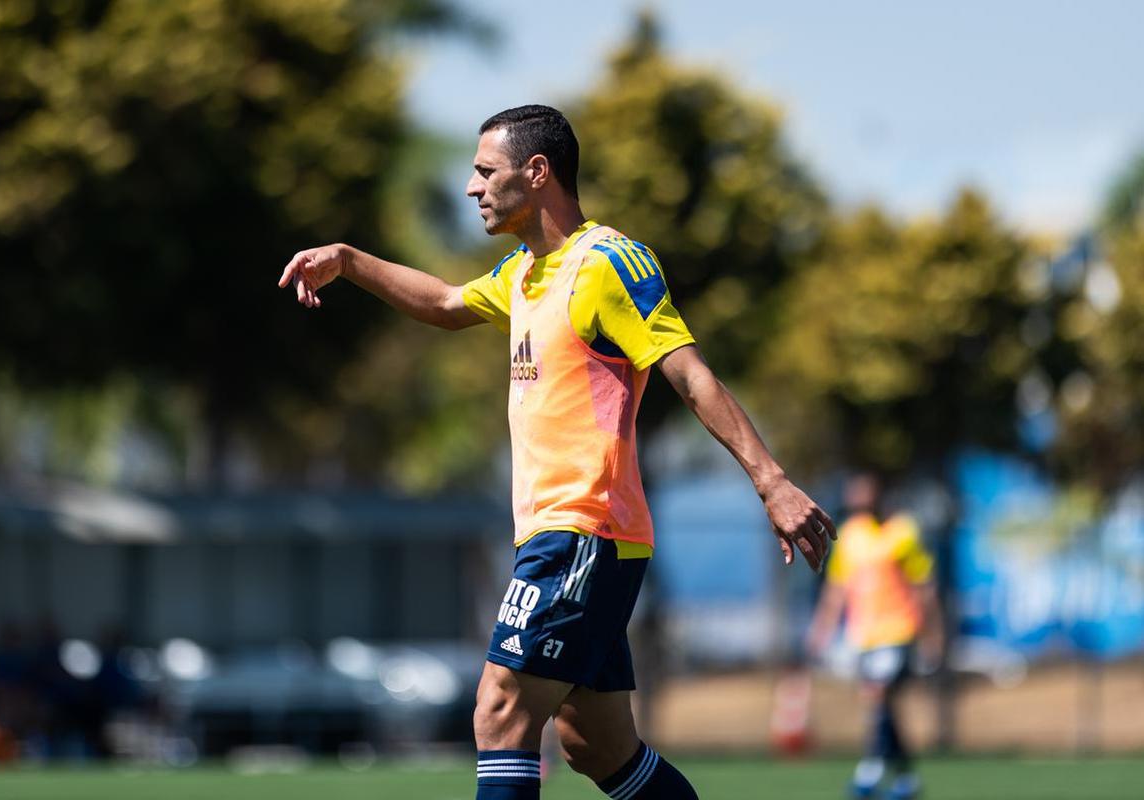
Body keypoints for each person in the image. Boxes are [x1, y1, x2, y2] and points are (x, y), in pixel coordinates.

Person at [279, 104, 834, 800]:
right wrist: (350, 262)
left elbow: (687, 371)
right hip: (557, 535)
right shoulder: (522, 272)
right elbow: (448, 303)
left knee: (500, 708)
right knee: (595, 745)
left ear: (536, 172)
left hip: (584, 529)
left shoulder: (606, 262)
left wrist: (771, 482)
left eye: (485, 172)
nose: (471, 188)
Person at [806, 473, 943, 800]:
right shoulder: (852, 535)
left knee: (879, 694)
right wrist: (822, 628)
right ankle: (906, 777)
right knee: (883, 705)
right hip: (864, 633)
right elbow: (837, 589)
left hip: (899, 629)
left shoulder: (904, 531)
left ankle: (870, 770)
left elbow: (924, 586)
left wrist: (933, 635)